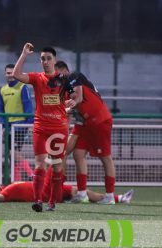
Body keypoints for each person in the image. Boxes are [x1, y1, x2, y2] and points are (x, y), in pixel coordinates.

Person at [12, 43, 68, 212]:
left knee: (57, 167)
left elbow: (76, 96)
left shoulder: (64, 80)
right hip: (40, 128)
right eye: (42, 59)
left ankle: (52, 201)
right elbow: (16, 74)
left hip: (58, 129)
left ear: (55, 60)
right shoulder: (37, 78)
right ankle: (37, 200)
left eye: (48, 58)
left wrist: (74, 102)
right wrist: (23, 54)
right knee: (40, 165)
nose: (45, 61)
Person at [55, 61, 116, 205]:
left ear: (65, 70)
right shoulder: (63, 89)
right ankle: (82, 194)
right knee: (78, 154)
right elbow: (68, 110)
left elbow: (79, 99)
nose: (56, 76)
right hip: (85, 123)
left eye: (58, 72)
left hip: (99, 120)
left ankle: (110, 196)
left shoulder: (75, 77)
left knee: (105, 157)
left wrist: (66, 110)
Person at [0, 166, 134, 204]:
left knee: (81, 190)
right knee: (55, 160)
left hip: (48, 189)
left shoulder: (7, 186)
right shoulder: (6, 192)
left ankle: (119, 198)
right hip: (47, 193)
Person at [0, 64, 34, 181]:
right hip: (8, 127)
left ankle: (30, 174)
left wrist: (28, 124)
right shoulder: (3, 89)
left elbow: (28, 106)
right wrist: (3, 123)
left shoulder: (23, 87)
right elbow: (0, 109)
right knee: (13, 155)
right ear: (5, 74)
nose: (10, 75)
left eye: (12, 73)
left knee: (12, 152)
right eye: (8, 73)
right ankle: (17, 180)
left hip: (19, 126)